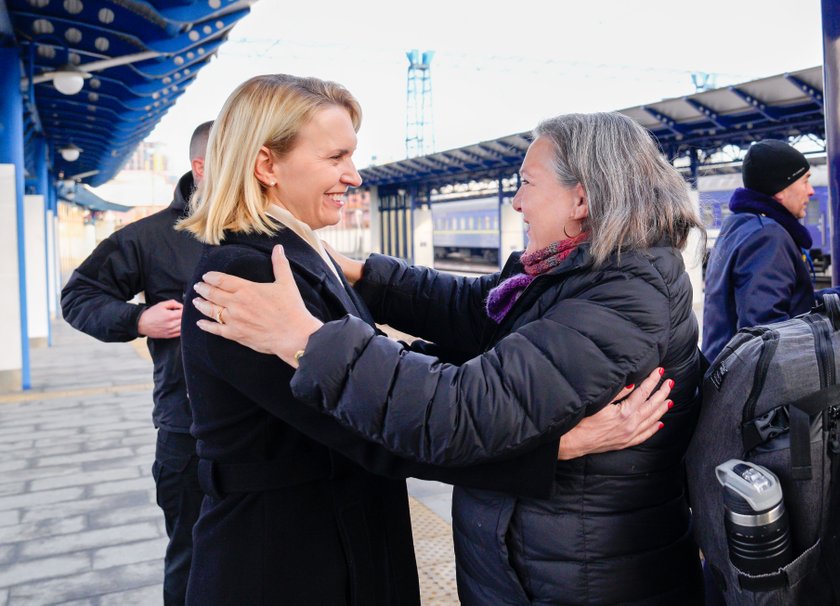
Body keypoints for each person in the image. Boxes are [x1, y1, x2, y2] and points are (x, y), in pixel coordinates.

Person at [178, 76, 675, 605]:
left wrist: (325, 330)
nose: (354, 174)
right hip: (284, 563)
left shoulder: (291, 256)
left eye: (526, 183)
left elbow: (435, 394)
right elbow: (378, 431)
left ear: (582, 198)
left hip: (335, 544)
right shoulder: (254, 274)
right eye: (336, 156)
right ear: (266, 165)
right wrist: (555, 448)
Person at [60, 121, 212, 605]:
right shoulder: (148, 238)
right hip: (190, 434)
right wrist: (137, 318)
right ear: (202, 168)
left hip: (273, 431)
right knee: (193, 558)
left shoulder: (273, 230)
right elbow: (79, 296)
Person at [702, 139, 840, 362]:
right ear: (781, 189)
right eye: (805, 181)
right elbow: (768, 335)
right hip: (749, 389)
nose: (810, 192)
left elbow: (794, 305)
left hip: (723, 373)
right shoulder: (766, 237)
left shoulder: (738, 226)